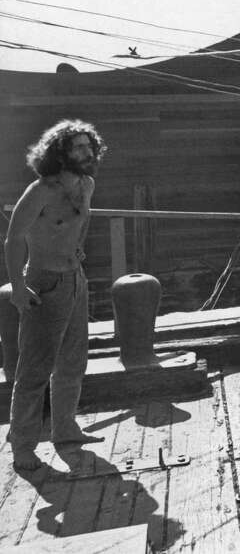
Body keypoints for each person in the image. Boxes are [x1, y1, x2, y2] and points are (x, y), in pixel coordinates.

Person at [5, 120, 106, 469]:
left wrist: (78, 248)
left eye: (88, 146)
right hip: (44, 282)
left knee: (73, 361)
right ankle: (22, 446)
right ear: (59, 152)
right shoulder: (41, 191)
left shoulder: (87, 184)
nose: (87, 152)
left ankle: (65, 429)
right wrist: (18, 288)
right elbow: (14, 238)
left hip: (75, 280)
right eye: (78, 147)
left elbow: (84, 219)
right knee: (34, 368)